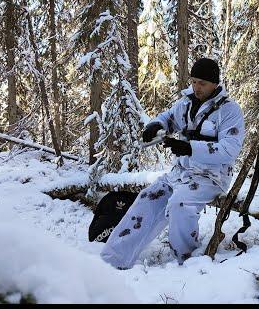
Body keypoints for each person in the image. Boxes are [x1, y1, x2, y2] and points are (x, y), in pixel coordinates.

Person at [100, 58, 245, 269]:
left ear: (215, 83)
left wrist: (190, 148)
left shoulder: (230, 111)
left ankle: (186, 262)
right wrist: (156, 125)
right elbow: (169, 118)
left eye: (202, 83)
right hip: (180, 173)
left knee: (180, 205)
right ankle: (112, 260)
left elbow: (229, 150)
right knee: (147, 198)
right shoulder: (186, 103)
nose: (196, 87)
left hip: (210, 177)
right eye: (193, 81)